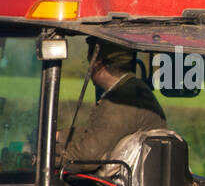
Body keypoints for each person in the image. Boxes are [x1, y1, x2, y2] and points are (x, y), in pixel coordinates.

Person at [61, 39, 168, 167]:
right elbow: (100, 131)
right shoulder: (131, 89)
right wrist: (58, 136)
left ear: (98, 65)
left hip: (124, 184)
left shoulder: (122, 100)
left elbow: (87, 157)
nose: (88, 68)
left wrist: (43, 157)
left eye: (89, 62)